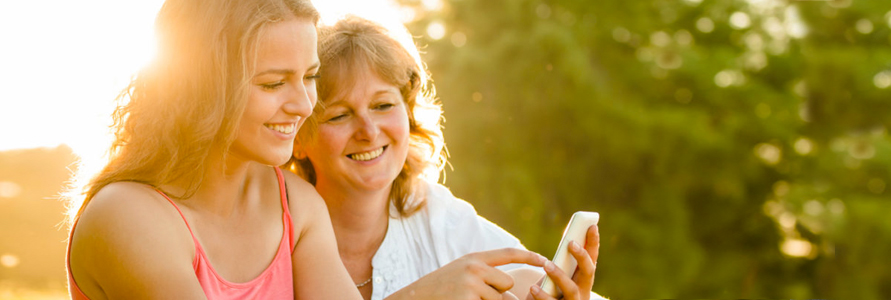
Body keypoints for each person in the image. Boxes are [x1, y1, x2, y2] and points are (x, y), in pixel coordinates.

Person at [288, 16, 604, 300]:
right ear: (298, 137)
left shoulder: (442, 221)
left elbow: (528, 276)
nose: (368, 132)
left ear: (409, 118)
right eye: (340, 115)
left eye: (383, 106)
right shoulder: (273, 229)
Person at [64, 0, 363, 299]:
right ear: (200, 85)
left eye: (310, 77)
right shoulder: (126, 215)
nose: (303, 105)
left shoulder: (297, 206)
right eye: (273, 83)